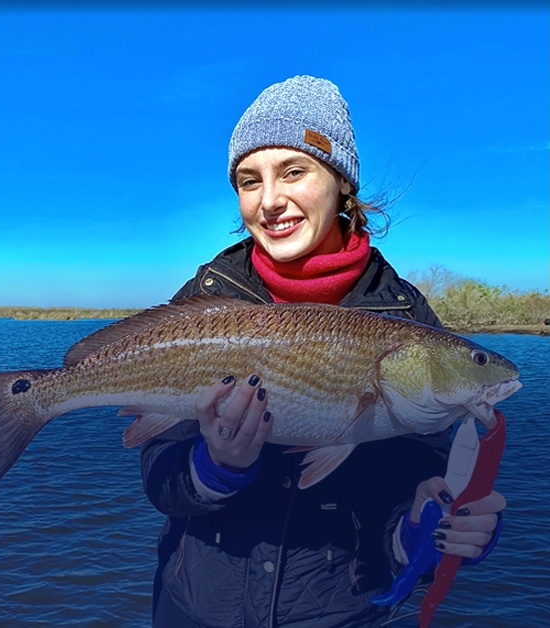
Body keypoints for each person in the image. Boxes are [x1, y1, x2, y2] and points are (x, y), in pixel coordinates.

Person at [138, 76, 507, 627]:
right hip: (196, 609)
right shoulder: (207, 296)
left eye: (294, 171)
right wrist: (214, 467)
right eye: (248, 180)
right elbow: (160, 480)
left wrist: (422, 530)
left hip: (339, 613)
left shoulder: (406, 318)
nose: (269, 201)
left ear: (342, 184)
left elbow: (413, 483)